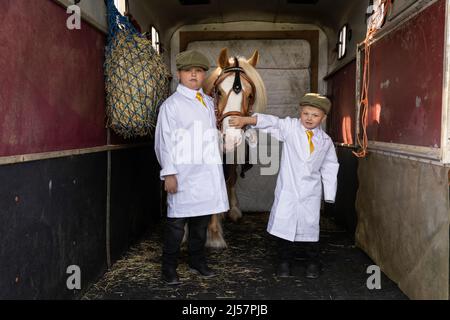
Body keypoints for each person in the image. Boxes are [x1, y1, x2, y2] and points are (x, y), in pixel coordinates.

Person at [229, 93, 339, 279]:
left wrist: (329, 194)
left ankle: (312, 263)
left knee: (310, 227)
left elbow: (330, 166)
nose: (309, 118)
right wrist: (246, 120)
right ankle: (283, 262)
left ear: (324, 118)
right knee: (284, 229)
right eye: (305, 113)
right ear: (300, 113)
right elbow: (272, 122)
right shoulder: (290, 128)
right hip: (289, 190)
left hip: (310, 192)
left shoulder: (325, 141)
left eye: (315, 115)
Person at [155, 50, 229, 285]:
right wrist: (169, 173)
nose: (194, 75)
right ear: (179, 74)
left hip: (205, 174)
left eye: (198, 71)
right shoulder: (172, 105)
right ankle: (169, 267)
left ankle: (197, 260)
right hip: (183, 173)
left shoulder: (208, 101)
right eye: (189, 71)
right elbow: (163, 141)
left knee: (200, 223)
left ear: (204, 74)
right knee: (177, 225)